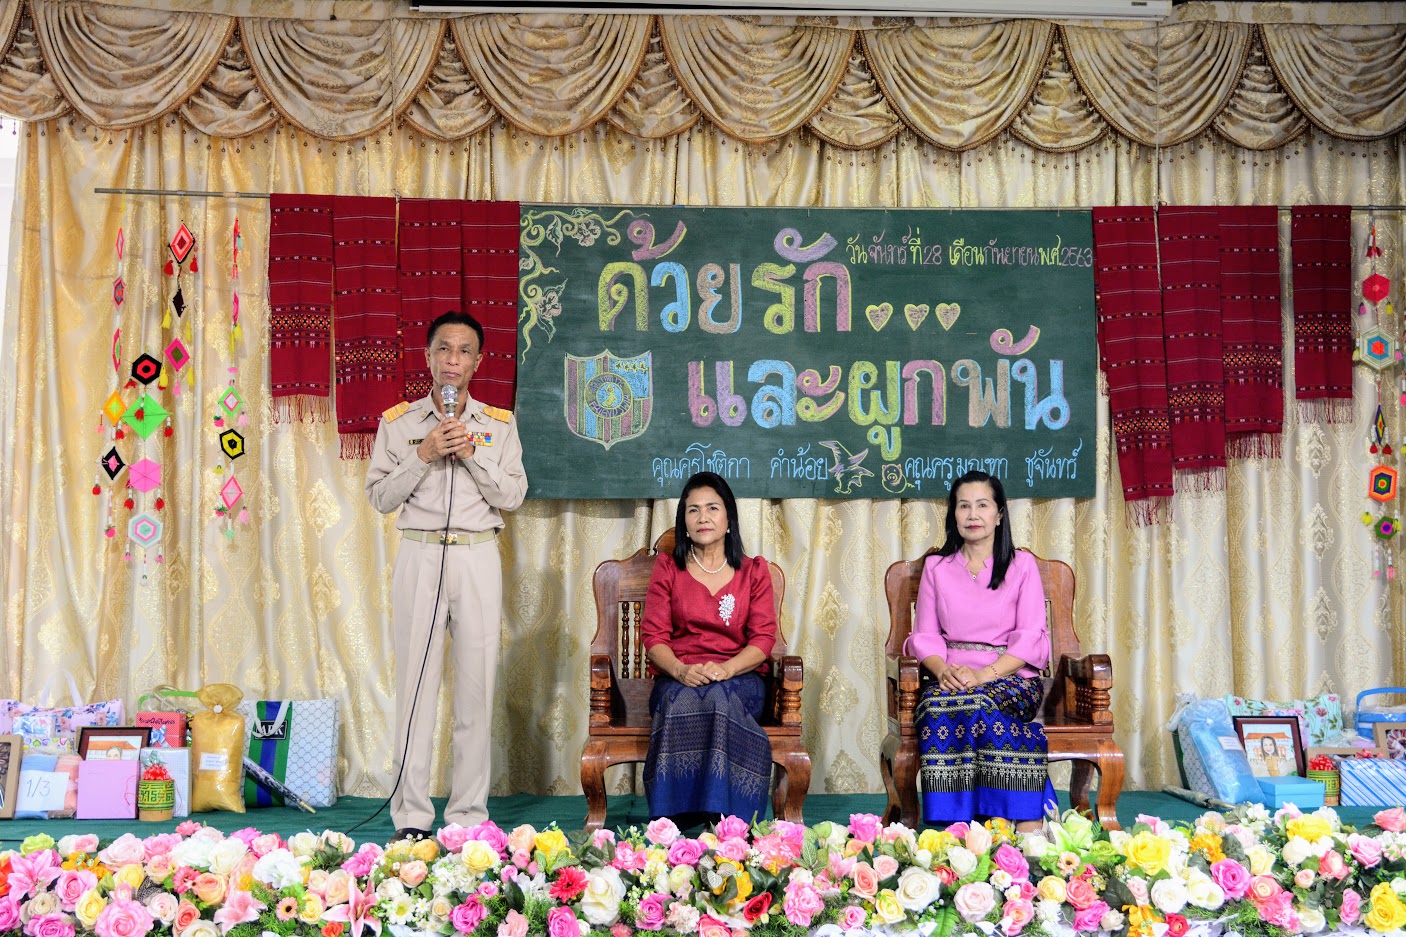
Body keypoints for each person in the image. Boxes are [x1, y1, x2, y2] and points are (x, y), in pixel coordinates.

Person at [365, 311, 527, 841]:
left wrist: (471, 454)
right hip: (420, 553)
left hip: (476, 558)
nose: (453, 360)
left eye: (464, 351)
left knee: (475, 693)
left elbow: (513, 495)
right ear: (428, 357)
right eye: (443, 349)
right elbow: (380, 497)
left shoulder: (498, 425)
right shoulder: (399, 423)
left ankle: (467, 819)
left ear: (478, 362)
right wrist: (424, 454)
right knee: (415, 688)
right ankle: (411, 818)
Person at [904, 470, 1057, 830]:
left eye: (982, 505)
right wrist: (943, 671)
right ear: (953, 514)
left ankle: (1003, 819)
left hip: (1011, 678)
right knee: (940, 704)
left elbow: (1030, 638)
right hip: (952, 678)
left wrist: (983, 675)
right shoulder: (937, 568)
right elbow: (924, 635)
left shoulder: (1021, 566)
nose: (972, 515)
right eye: (964, 506)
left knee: (974, 704)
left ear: (999, 514)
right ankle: (975, 827)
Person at [640, 471, 778, 825]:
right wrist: (681, 670)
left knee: (719, 698)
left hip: (740, 678)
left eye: (712, 508)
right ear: (684, 522)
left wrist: (726, 669)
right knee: (681, 699)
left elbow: (763, 640)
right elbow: (654, 637)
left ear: (729, 518)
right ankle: (673, 819)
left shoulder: (753, 571)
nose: (703, 517)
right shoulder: (669, 568)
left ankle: (728, 819)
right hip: (678, 677)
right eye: (693, 510)